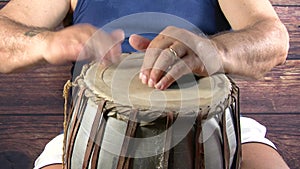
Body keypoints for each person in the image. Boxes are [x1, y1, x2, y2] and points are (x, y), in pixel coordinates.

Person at [0, 0, 290, 169]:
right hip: (91, 128)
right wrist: (45, 42)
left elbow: (274, 38)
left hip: (212, 126)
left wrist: (214, 50)